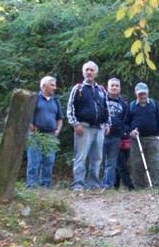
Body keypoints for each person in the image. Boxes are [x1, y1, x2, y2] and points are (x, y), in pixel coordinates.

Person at [66, 61, 111, 191]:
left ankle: (93, 184)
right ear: (83, 72)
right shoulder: (78, 88)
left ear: (96, 73)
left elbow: (106, 108)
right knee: (81, 157)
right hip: (83, 128)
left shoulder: (101, 90)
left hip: (100, 128)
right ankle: (78, 184)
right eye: (87, 70)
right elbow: (70, 107)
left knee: (97, 158)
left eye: (92, 70)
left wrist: (108, 124)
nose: (89, 72)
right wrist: (75, 124)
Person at [124, 82, 159, 189]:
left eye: (144, 93)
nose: (142, 95)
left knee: (155, 162)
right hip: (136, 139)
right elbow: (125, 123)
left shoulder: (154, 104)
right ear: (136, 94)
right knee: (137, 163)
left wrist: (158, 135)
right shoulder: (131, 106)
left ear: (147, 92)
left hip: (152, 138)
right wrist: (130, 132)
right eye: (140, 94)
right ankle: (140, 186)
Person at [26, 76, 63, 188]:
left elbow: (60, 118)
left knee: (49, 161)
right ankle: (32, 186)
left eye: (54, 85)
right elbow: (26, 115)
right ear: (43, 86)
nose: (54, 87)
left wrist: (57, 131)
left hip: (51, 135)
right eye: (52, 85)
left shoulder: (55, 101)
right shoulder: (34, 98)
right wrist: (31, 127)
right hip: (36, 135)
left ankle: (45, 186)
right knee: (34, 161)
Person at [103, 78, 128, 189]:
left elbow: (125, 120)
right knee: (97, 160)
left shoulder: (123, 104)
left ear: (120, 88)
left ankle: (108, 185)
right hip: (101, 134)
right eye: (112, 85)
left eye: (116, 86)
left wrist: (122, 131)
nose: (114, 87)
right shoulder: (102, 99)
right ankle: (92, 184)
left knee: (111, 163)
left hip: (115, 136)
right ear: (108, 87)